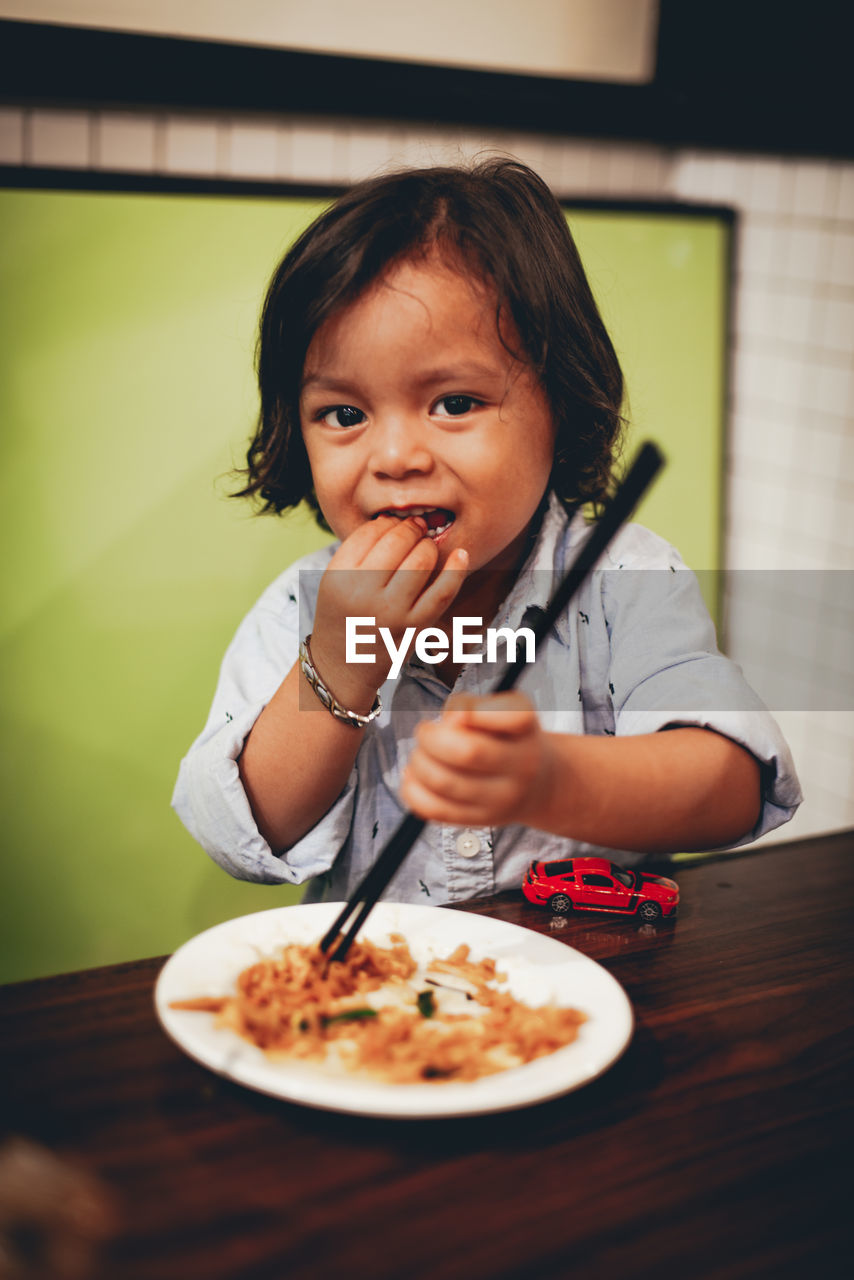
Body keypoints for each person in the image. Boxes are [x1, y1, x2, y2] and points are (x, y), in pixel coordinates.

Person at [172, 159, 800, 904]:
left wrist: (554, 778)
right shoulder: (303, 609)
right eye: (344, 415)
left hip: (578, 995)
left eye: (455, 402)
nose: (396, 457)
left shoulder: (620, 583)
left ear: (560, 403)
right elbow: (241, 834)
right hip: (385, 997)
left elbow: (730, 784)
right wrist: (341, 663)